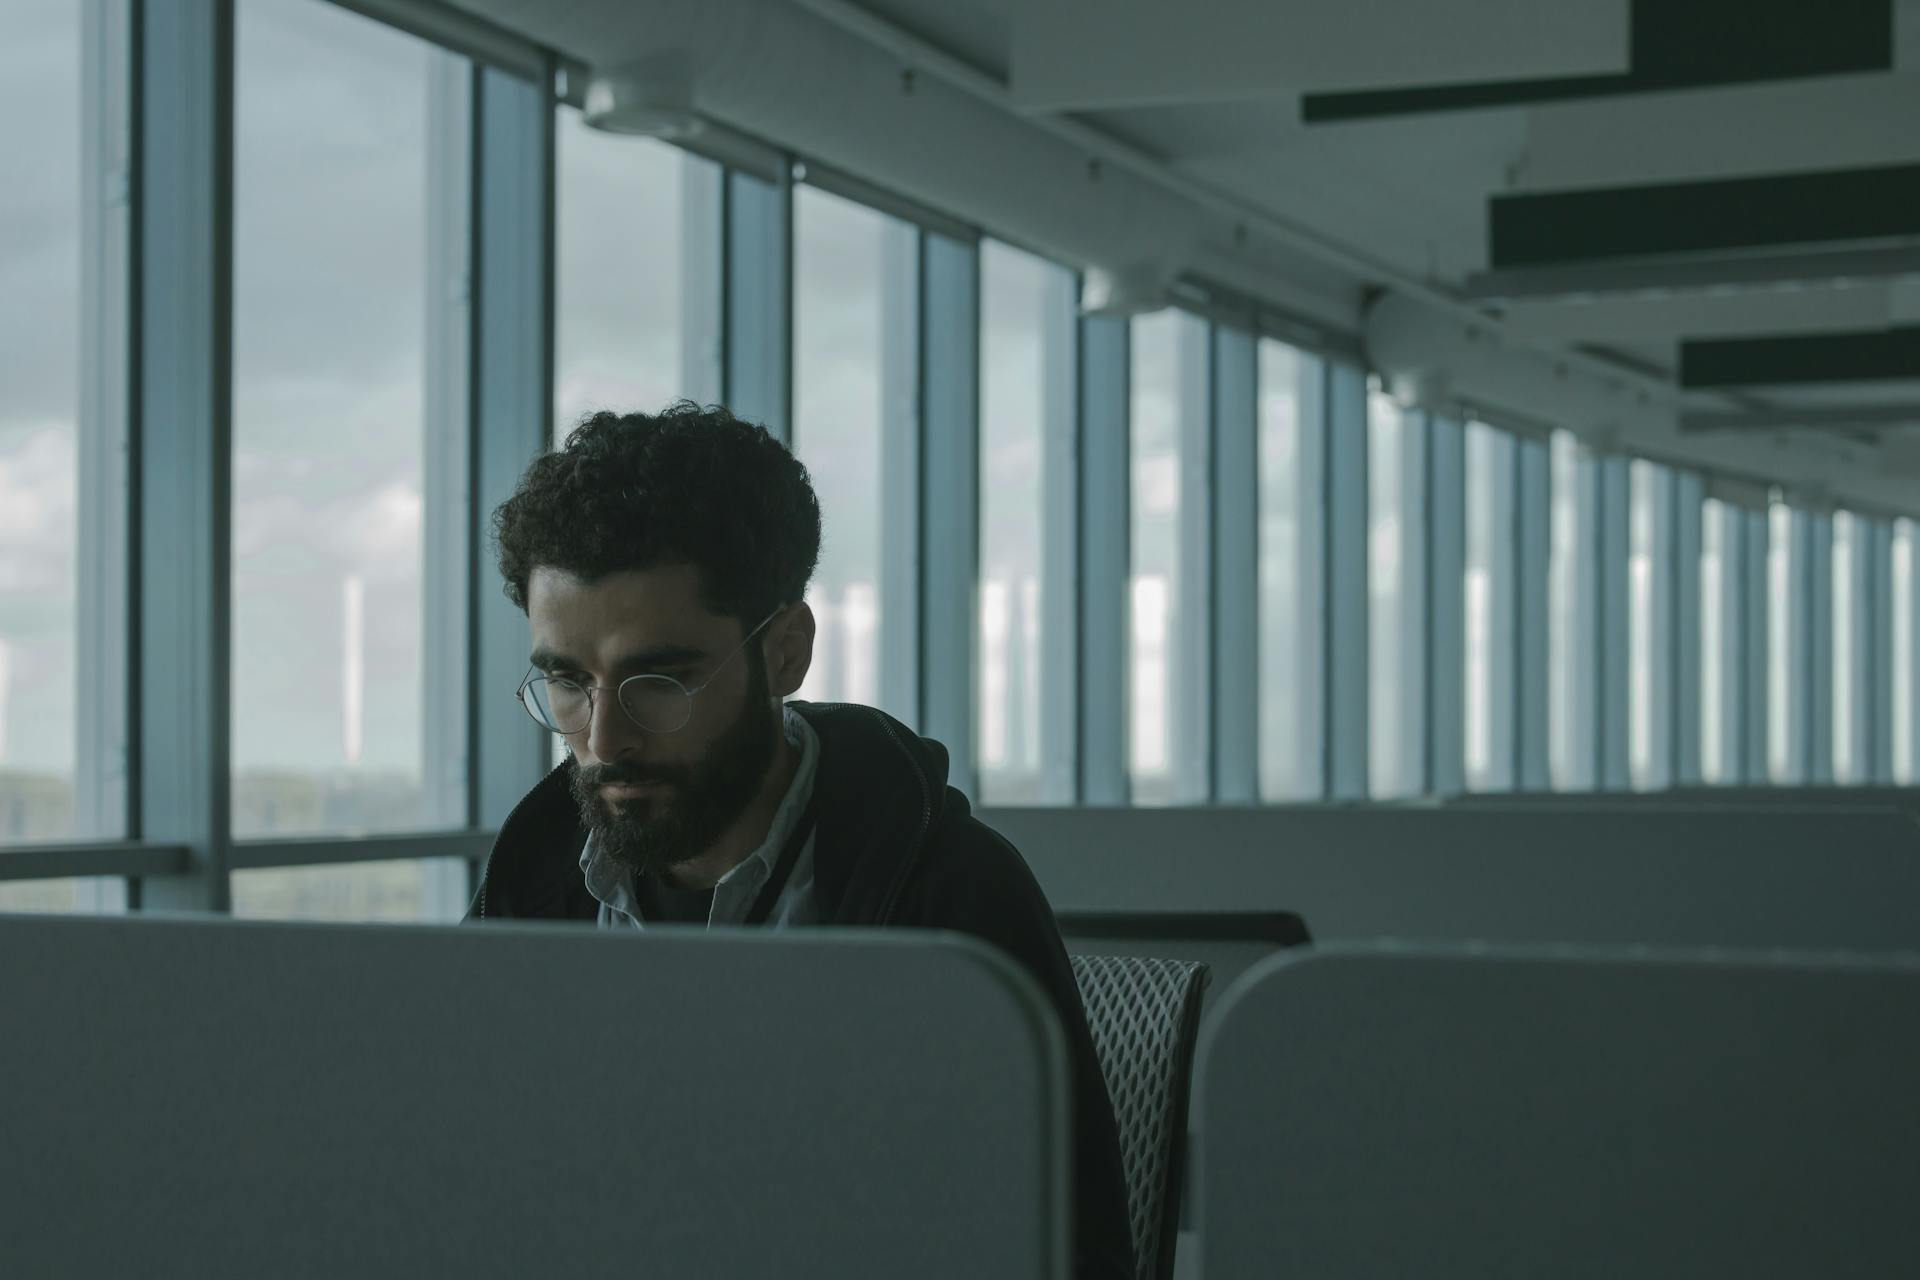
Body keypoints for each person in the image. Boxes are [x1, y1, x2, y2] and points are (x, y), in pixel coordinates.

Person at [466, 402, 1136, 1280]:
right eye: (568, 684)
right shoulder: (536, 881)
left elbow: (1066, 1249)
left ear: (784, 653)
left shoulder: (950, 898)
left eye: (658, 682)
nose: (603, 743)